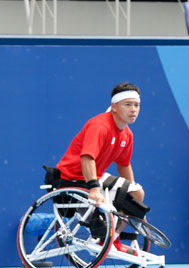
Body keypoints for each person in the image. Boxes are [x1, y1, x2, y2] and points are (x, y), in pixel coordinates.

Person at [53, 82, 145, 253]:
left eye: (137, 105)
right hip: (71, 177)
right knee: (105, 205)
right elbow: (87, 158)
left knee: (136, 194)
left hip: (95, 175)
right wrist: (94, 189)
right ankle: (106, 238)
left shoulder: (127, 134)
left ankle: (111, 240)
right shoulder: (99, 126)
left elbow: (124, 165)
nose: (133, 109)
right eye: (128, 104)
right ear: (114, 106)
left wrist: (130, 198)